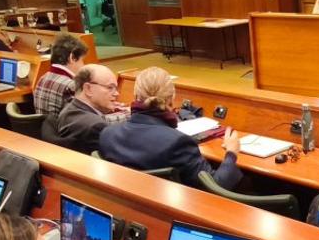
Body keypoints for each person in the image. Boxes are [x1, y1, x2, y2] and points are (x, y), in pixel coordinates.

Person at [98, 66, 241, 189]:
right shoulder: (177, 142)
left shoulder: (107, 134)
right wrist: (231, 153)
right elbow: (216, 186)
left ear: (135, 96)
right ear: (172, 98)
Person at [46, 65, 127, 155]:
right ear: (88, 89)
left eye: (116, 88)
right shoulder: (96, 126)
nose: (117, 93)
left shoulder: (69, 108)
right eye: (110, 87)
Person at [33, 33, 88, 117]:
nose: (83, 65)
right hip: (61, 129)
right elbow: (83, 119)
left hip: (45, 128)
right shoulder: (70, 85)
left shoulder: (42, 78)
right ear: (72, 58)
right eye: (82, 60)